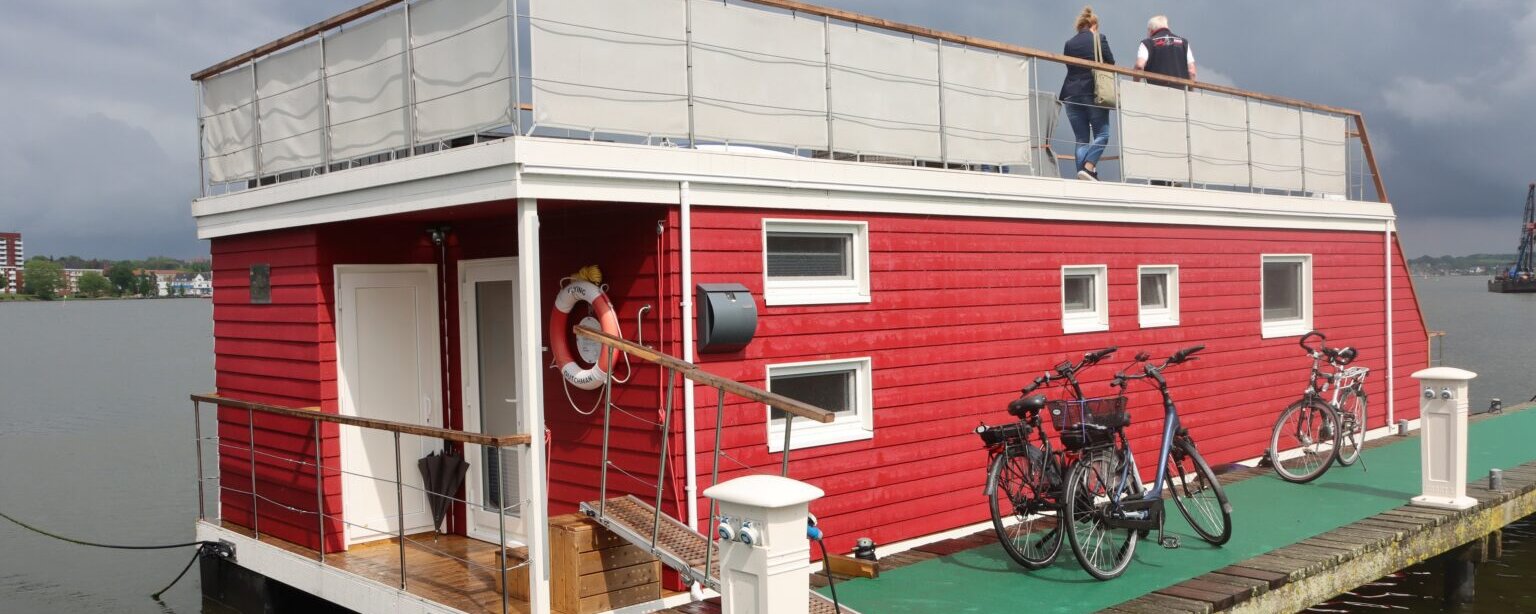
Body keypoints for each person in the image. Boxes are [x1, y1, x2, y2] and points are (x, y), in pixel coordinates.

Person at [1059, 6, 1115, 181]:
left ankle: (1083, 176)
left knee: (1081, 139)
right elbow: (1111, 62)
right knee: (1102, 134)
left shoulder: (1069, 43)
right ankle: (1089, 168)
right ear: (1094, 25)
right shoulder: (1099, 38)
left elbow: (1069, 66)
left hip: (1070, 94)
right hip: (1093, 91)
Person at [1135, 15, 1196, 88]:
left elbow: (1139, 66)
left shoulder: (1147, 43)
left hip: (1155, 92)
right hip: (1181, 93)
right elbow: (1192, 72)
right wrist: (1191, 92)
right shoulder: (1184, 43)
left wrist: (1135, 85)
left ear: (1150, 30)